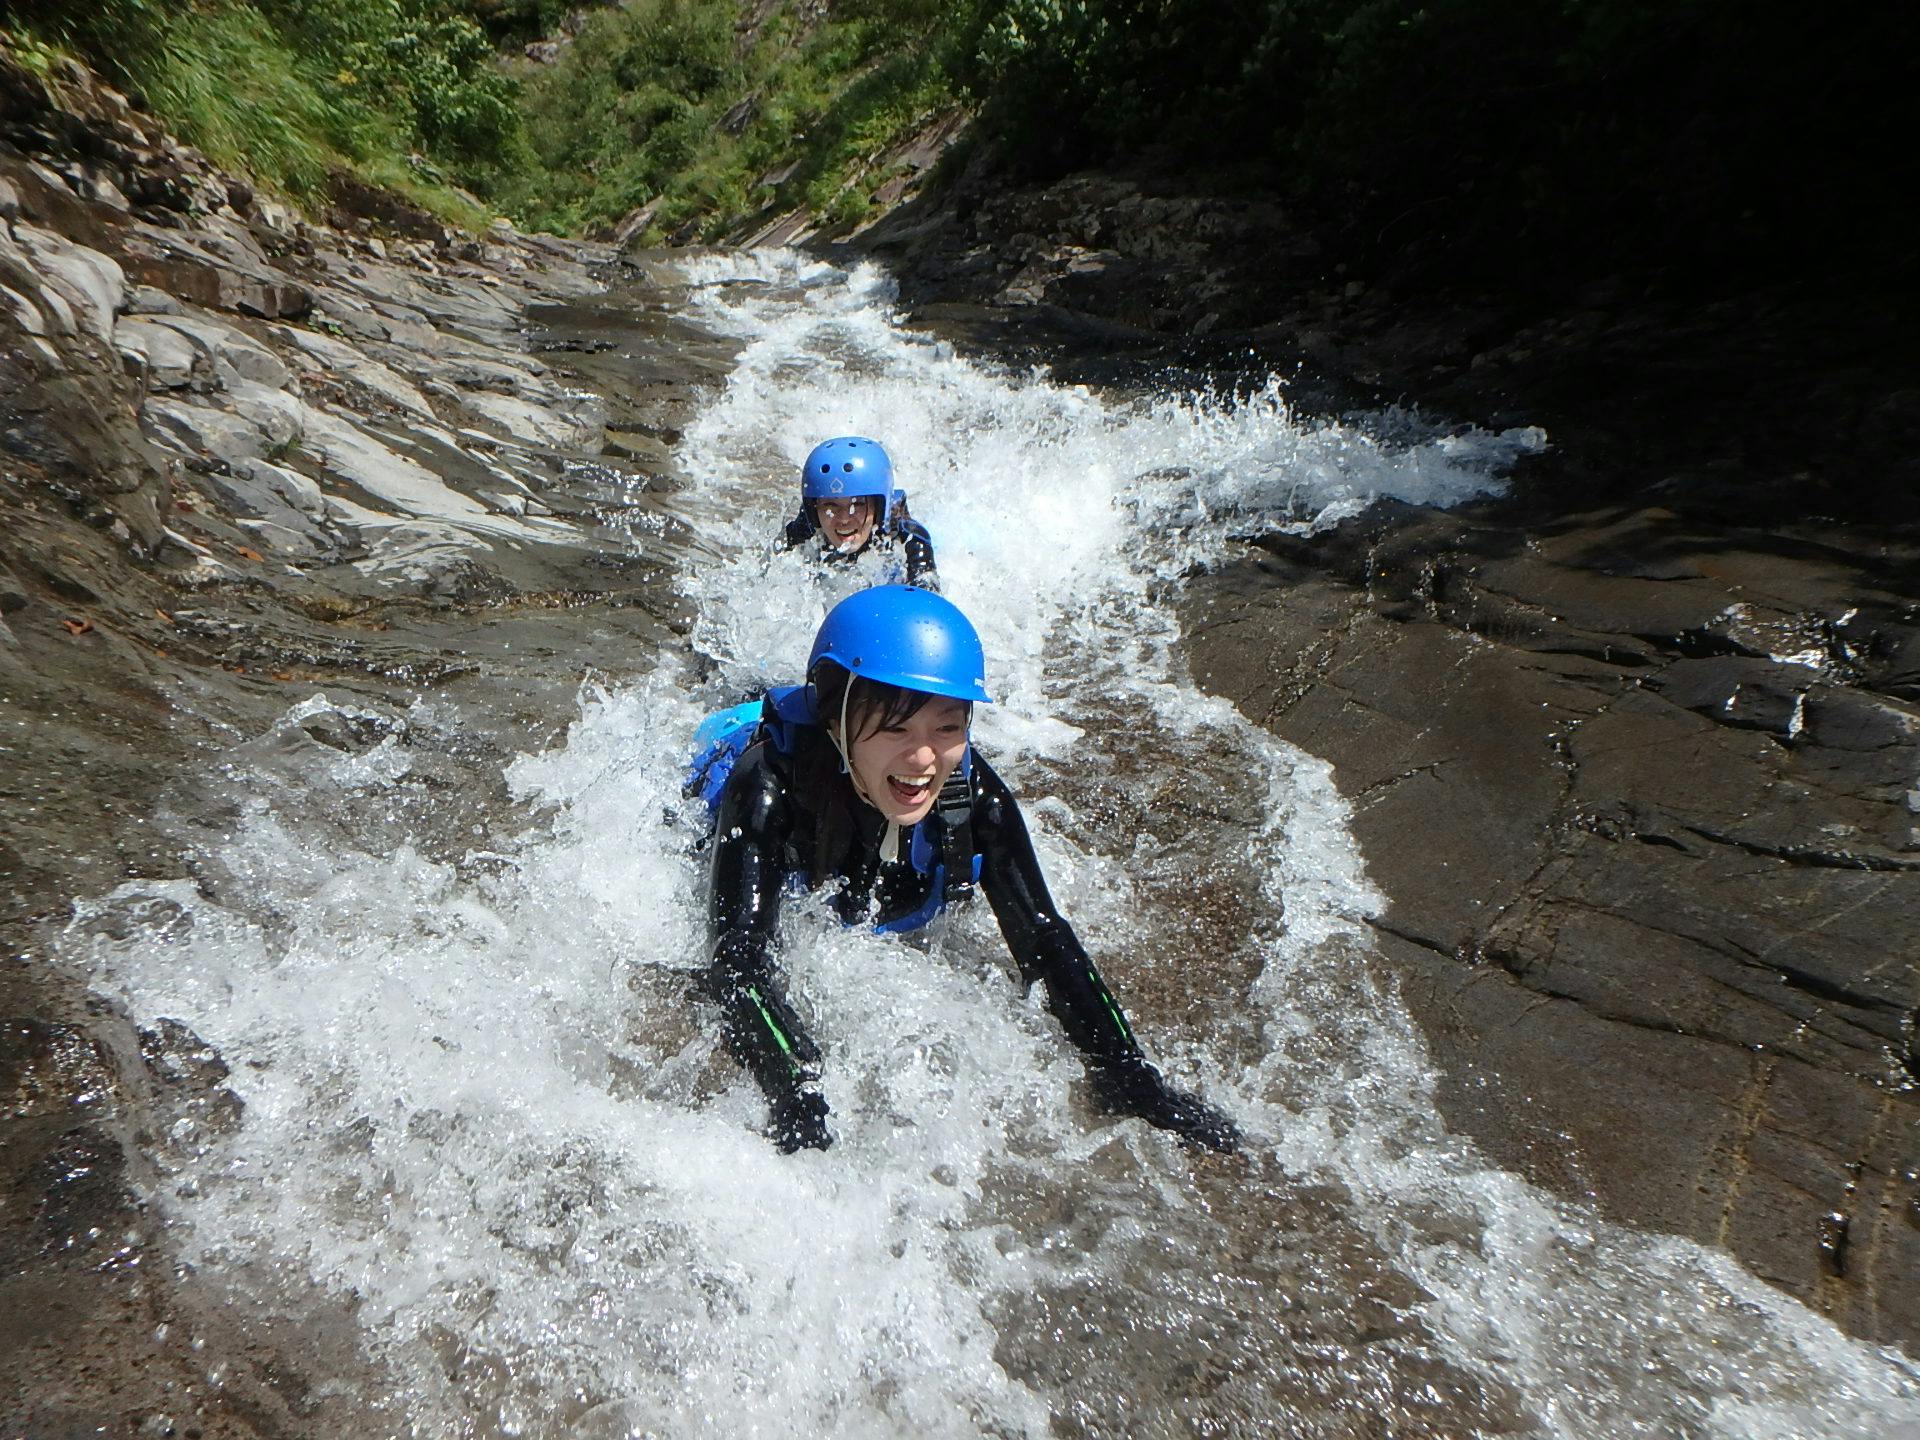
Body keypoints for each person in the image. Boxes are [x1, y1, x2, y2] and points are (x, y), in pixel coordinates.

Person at [691, 585, 1240, 1155]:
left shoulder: (974, 797)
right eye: (896, 728)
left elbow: (1044, 937)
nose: (924, 759)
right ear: (837, 720)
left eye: (947, 728)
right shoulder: (767, 786)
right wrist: (795, 1088)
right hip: (722, 752)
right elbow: (737, 956)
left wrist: (1133, 1079)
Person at [782, 436, 938, 590]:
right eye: (830, 506)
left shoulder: (908, 538)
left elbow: (929, 606)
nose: (843, 519)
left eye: (857, 505)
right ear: (814, 510)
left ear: (879, 507)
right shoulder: (804, 532)